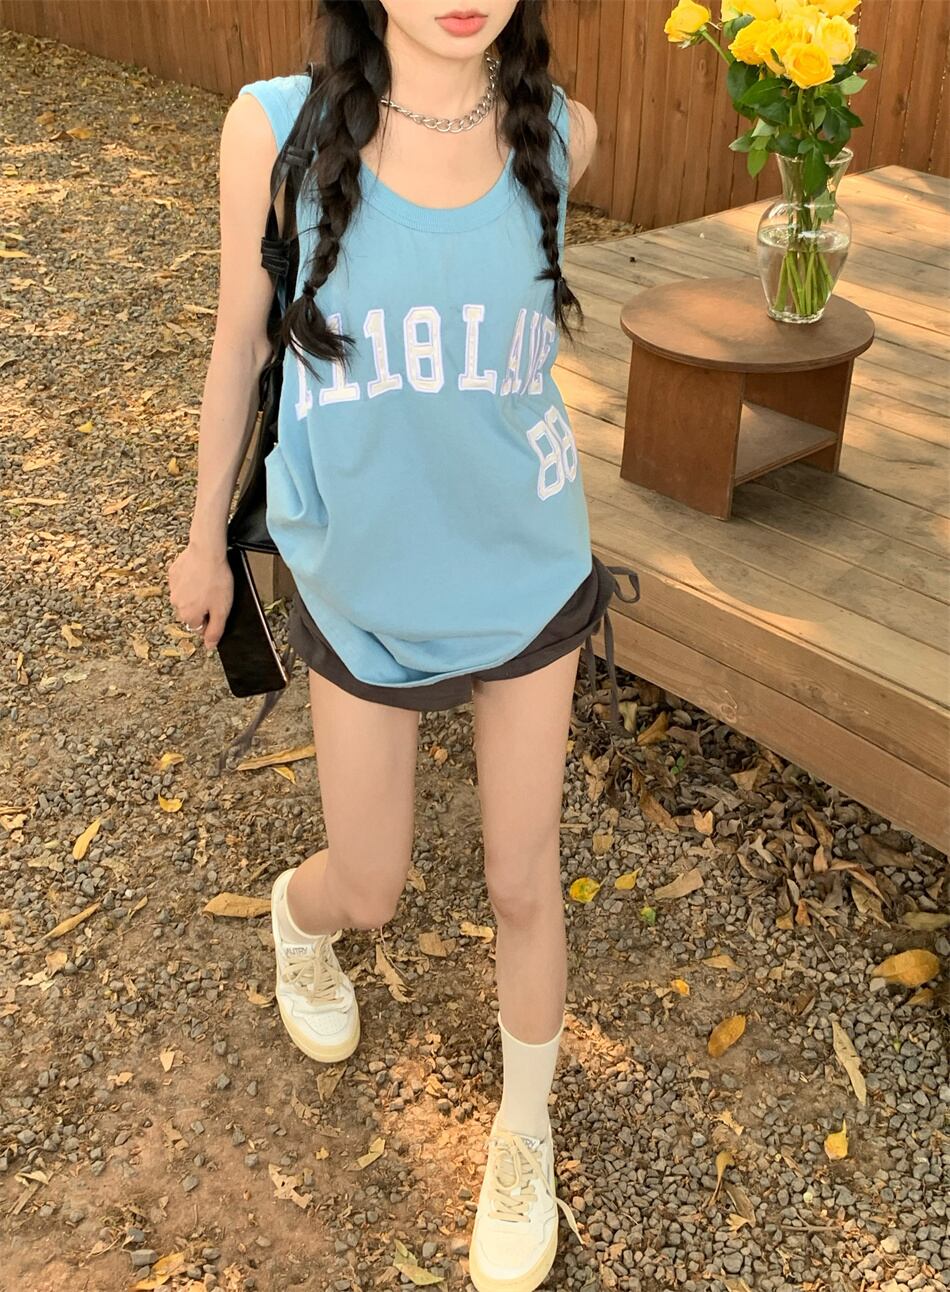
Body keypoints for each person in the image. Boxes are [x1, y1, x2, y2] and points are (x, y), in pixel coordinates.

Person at [167, 3, 640, 1288]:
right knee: (368, 885)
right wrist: (204, 537)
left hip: (523, 568)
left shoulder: (564, 134)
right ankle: (295, 918)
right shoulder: (275, 130)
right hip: (361, 574)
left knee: (521, 880)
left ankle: (522, 1132)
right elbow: (240, 339)